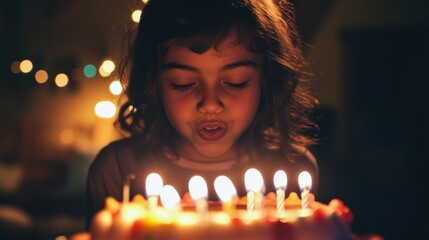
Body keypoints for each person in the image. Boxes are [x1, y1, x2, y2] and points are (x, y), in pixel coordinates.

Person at [86, 0, 319, 228]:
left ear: (267, 79)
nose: (210, 104)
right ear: (153, 83)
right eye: (183, 84)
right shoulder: (118, 170)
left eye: (235, 83)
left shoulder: (294, 168)